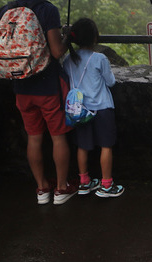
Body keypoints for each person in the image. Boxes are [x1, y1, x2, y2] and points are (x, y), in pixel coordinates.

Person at [0, 0, 77, 205]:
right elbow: (56, 51)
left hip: (21, 87)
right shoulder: (47, 10)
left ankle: (42, 188)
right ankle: (62, 188)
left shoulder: (5, 11)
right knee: (58, 137)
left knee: (34, 139)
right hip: (47, 87)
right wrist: (67, 37)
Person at [62, 18, 124, 198]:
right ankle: (106, 185)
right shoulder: (100, 58)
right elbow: (111, 82)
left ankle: (84, 182)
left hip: (80, 110)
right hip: (102, 108)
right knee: (106, 146)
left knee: (82, 146)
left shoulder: (68, 59)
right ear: (94, 38)